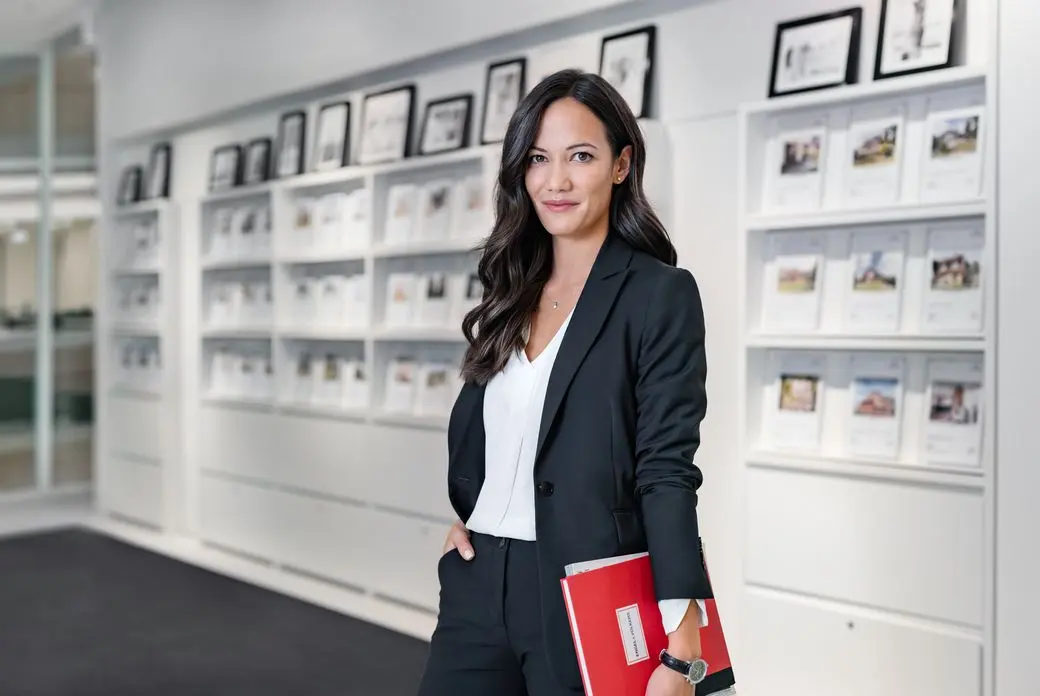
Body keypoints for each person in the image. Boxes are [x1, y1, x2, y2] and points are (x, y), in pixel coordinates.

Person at [417, 69, 713, 696]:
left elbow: (665, 469)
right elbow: (496, 437)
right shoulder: (509, 288)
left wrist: (685, 645)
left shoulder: (659, 294)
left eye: (580, 156)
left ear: (620, 164)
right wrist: (479, 512)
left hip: (585, 591)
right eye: (537, 159)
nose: (556, 181)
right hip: (477, 579)